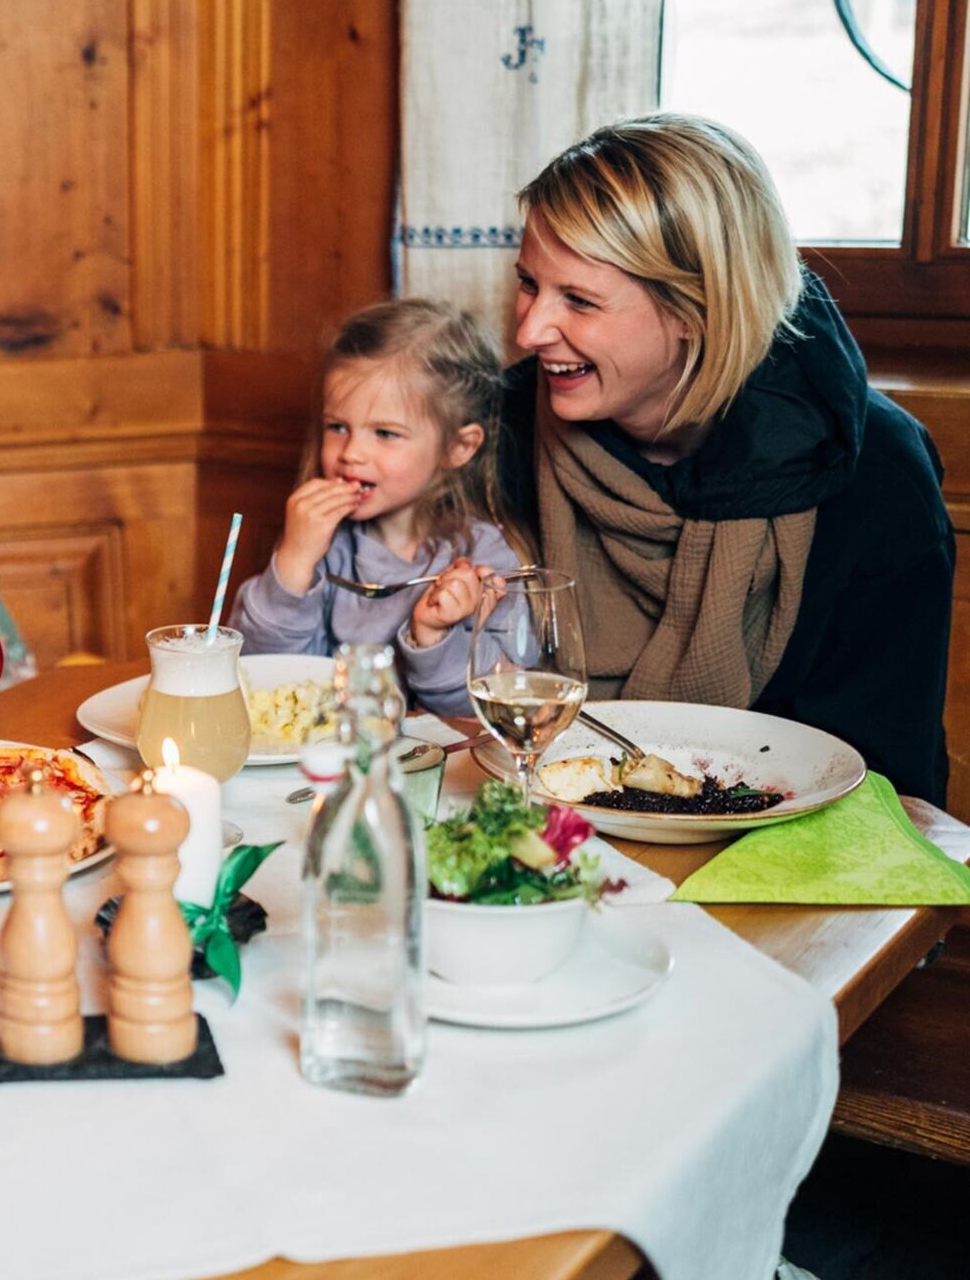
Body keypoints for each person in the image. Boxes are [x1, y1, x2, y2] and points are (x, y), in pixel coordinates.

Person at [501, 113, 951, 805]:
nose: (529, 330)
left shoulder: (875, 475)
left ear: (695, 310)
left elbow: (888, 787)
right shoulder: (510, 422)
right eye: (528, 283)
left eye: (579, 301)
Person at [230, 299, 525, 716]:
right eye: (337, 427)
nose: (351, 452)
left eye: (385, 433)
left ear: (458, 447)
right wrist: (293, 563)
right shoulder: (322, 545)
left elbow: (497, 709)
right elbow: (257, 676)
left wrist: (433, 636)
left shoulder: (488, 561)